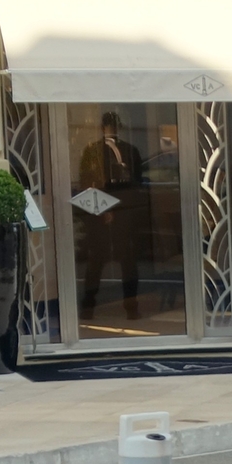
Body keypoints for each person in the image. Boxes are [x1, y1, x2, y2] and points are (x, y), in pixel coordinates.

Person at [74, 112, 147, 320]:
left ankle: (131, 306)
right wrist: (102, 210)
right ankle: (88, 306)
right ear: (103, 128)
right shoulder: (93, 150)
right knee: (96, 260)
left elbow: (137, 183)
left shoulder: (129, 150)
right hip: (101, 213)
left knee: (128, 261)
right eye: (109, 126)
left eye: (114, 126)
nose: (112, 129)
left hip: (124, 212)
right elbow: (87, 182)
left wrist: (129, 211)